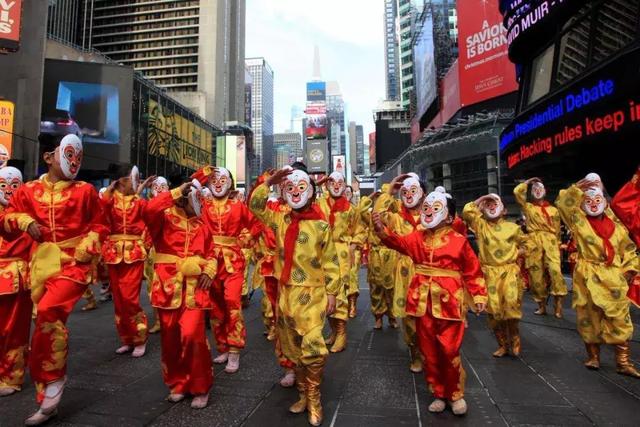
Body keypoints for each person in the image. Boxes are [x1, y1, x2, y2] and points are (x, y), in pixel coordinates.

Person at [1, 134, 108, 425]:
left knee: (49, 311)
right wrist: (23, 221)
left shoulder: (85, 191)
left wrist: (90, 242)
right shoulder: (28, 191)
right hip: (41, 265)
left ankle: (53, 380)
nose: (74, 162)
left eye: (77, 157)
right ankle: (46, 398)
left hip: (74, 263)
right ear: (49, 157)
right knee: (42, 324)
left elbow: (101, 223)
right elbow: (7, 221)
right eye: (68, 155)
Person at [373, 188, 487, 416]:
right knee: (429, 351)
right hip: (422, 302)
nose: (428, 212)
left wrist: (479, 294)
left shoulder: (459, 241)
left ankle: (455, 394)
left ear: (448, 216)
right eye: (426, 207)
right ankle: (438, 392)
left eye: (435, 208)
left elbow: (472, 270)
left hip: (450, 304)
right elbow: (397, 242)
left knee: (450, 350)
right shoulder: (416, 237)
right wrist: (381, 231)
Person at [249, 167, 340, 426]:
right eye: (290, 188)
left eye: (301, 188)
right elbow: (255, 206)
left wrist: (333, 293)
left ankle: (314, 398)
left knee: (313, 346)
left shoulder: (321, 226)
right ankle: (302, 394)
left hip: (312, 294)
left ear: (311, 192)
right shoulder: (280, 219)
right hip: (285, 293)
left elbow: (332, 262)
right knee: (293, 348)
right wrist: (269, 182)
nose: (295, 192)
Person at [556, 174, 639, 378]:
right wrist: (576, 188)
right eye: (589, 201)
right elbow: (563, 205)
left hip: (613, 277)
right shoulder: (579, 222)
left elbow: (628, 250)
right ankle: (593, 356)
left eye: (597, 200)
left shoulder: (617, 227)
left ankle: (623, 361)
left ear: (604, 201)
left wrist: (629, 270)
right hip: (588, 275)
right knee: (588, 317)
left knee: (619, 318)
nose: (593, 204)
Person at [143, 180, 218, 408]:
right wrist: (174, 193)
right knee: (170, 339)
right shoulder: (163, 219)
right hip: (168, 287)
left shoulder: (201, 225)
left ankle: (200, 385)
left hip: (195, 290)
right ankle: (177, 383)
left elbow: (212, 251)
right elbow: (148, 209)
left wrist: (210, 269)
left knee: (193, 336)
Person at [191, 166, 256, 374]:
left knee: (232, 303)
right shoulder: (204, 205)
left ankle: (235, 348)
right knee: (216, 307)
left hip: (233, 263)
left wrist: (243, 240)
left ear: (230, 184)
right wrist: (206, 171)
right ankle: (223, 346)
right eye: (214, 180)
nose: (218, 183)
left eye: (222, 179)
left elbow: (256, 225)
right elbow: (192, 185)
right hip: (210, 263)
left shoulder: (238, 206)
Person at [100, 165, 155, 358]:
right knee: (119, 301)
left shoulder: (139, 202)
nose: (137, 183)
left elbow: (151, 222)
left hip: (133, 254)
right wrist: (110, 189)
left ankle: (140, 338)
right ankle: (126, 338)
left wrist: (146, 246)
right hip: (113, 254)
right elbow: (100, 210)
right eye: (134, 180)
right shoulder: (110, 199)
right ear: (123, 181)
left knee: (130, 299)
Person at [373, 174, 426, 372]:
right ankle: (415, 354)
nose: (409, 195)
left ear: (423, 193)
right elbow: (378, 214)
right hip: (404, 271)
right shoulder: (396, 218)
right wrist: (389, 190)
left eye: (413, 191)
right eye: (405, 192)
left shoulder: (432, 216)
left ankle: (430, 352)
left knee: (428, 317)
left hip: (427, 271)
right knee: (409, 318)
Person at [463, 194, 524, 357]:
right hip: (489, 274)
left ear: (504, 210)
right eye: (488, 204)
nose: (491, 206)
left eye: (494, 203)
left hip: (509, 272)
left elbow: (528, 244)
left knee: (511, 306)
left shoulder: (513, 228)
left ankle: (515, 340)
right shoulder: (480, 225)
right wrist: (483, 198)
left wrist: (516, 254)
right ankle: (503, 345)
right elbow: (467, 211)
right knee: (494, 312)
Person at [316, 171, 360, 353]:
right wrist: (318, 184)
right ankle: (333, 331)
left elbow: (359, 229)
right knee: (325, 295)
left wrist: (352, 245)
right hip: (321, 253)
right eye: (332, 182)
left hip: (341, 254)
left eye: (339, 182)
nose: (335, 185)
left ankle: (341, 333)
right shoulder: (319, 204)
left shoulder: (350, 209)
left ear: (344, 185)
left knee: (339, 295)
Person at [0, 166, 34, 397]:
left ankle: (12, 375)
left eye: (14, 185)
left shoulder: (28, 214)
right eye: (4, 186)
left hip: (18, 276)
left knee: (15, 329)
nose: (9, 190)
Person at [513, 178, 567, 317]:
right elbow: (517, 192)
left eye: (539, 189)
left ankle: (558, 304)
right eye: (534, 189)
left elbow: (557, 230)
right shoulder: (528, 207)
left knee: (556, 272)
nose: (537, 191)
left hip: (550, 240)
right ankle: (541, 306)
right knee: (536, 275)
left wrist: (559, 246)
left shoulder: (554, 210)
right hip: (534, 240)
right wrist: (529, 181)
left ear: (545, 191)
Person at [145, 176, 170, 334]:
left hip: (170, 252)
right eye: (156, 186)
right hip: (152, 251)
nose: (159, 189)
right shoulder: (148, 206)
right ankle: (159, 321)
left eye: (163, 186)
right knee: (152, 287)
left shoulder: (174, 207)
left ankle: (170, 319)